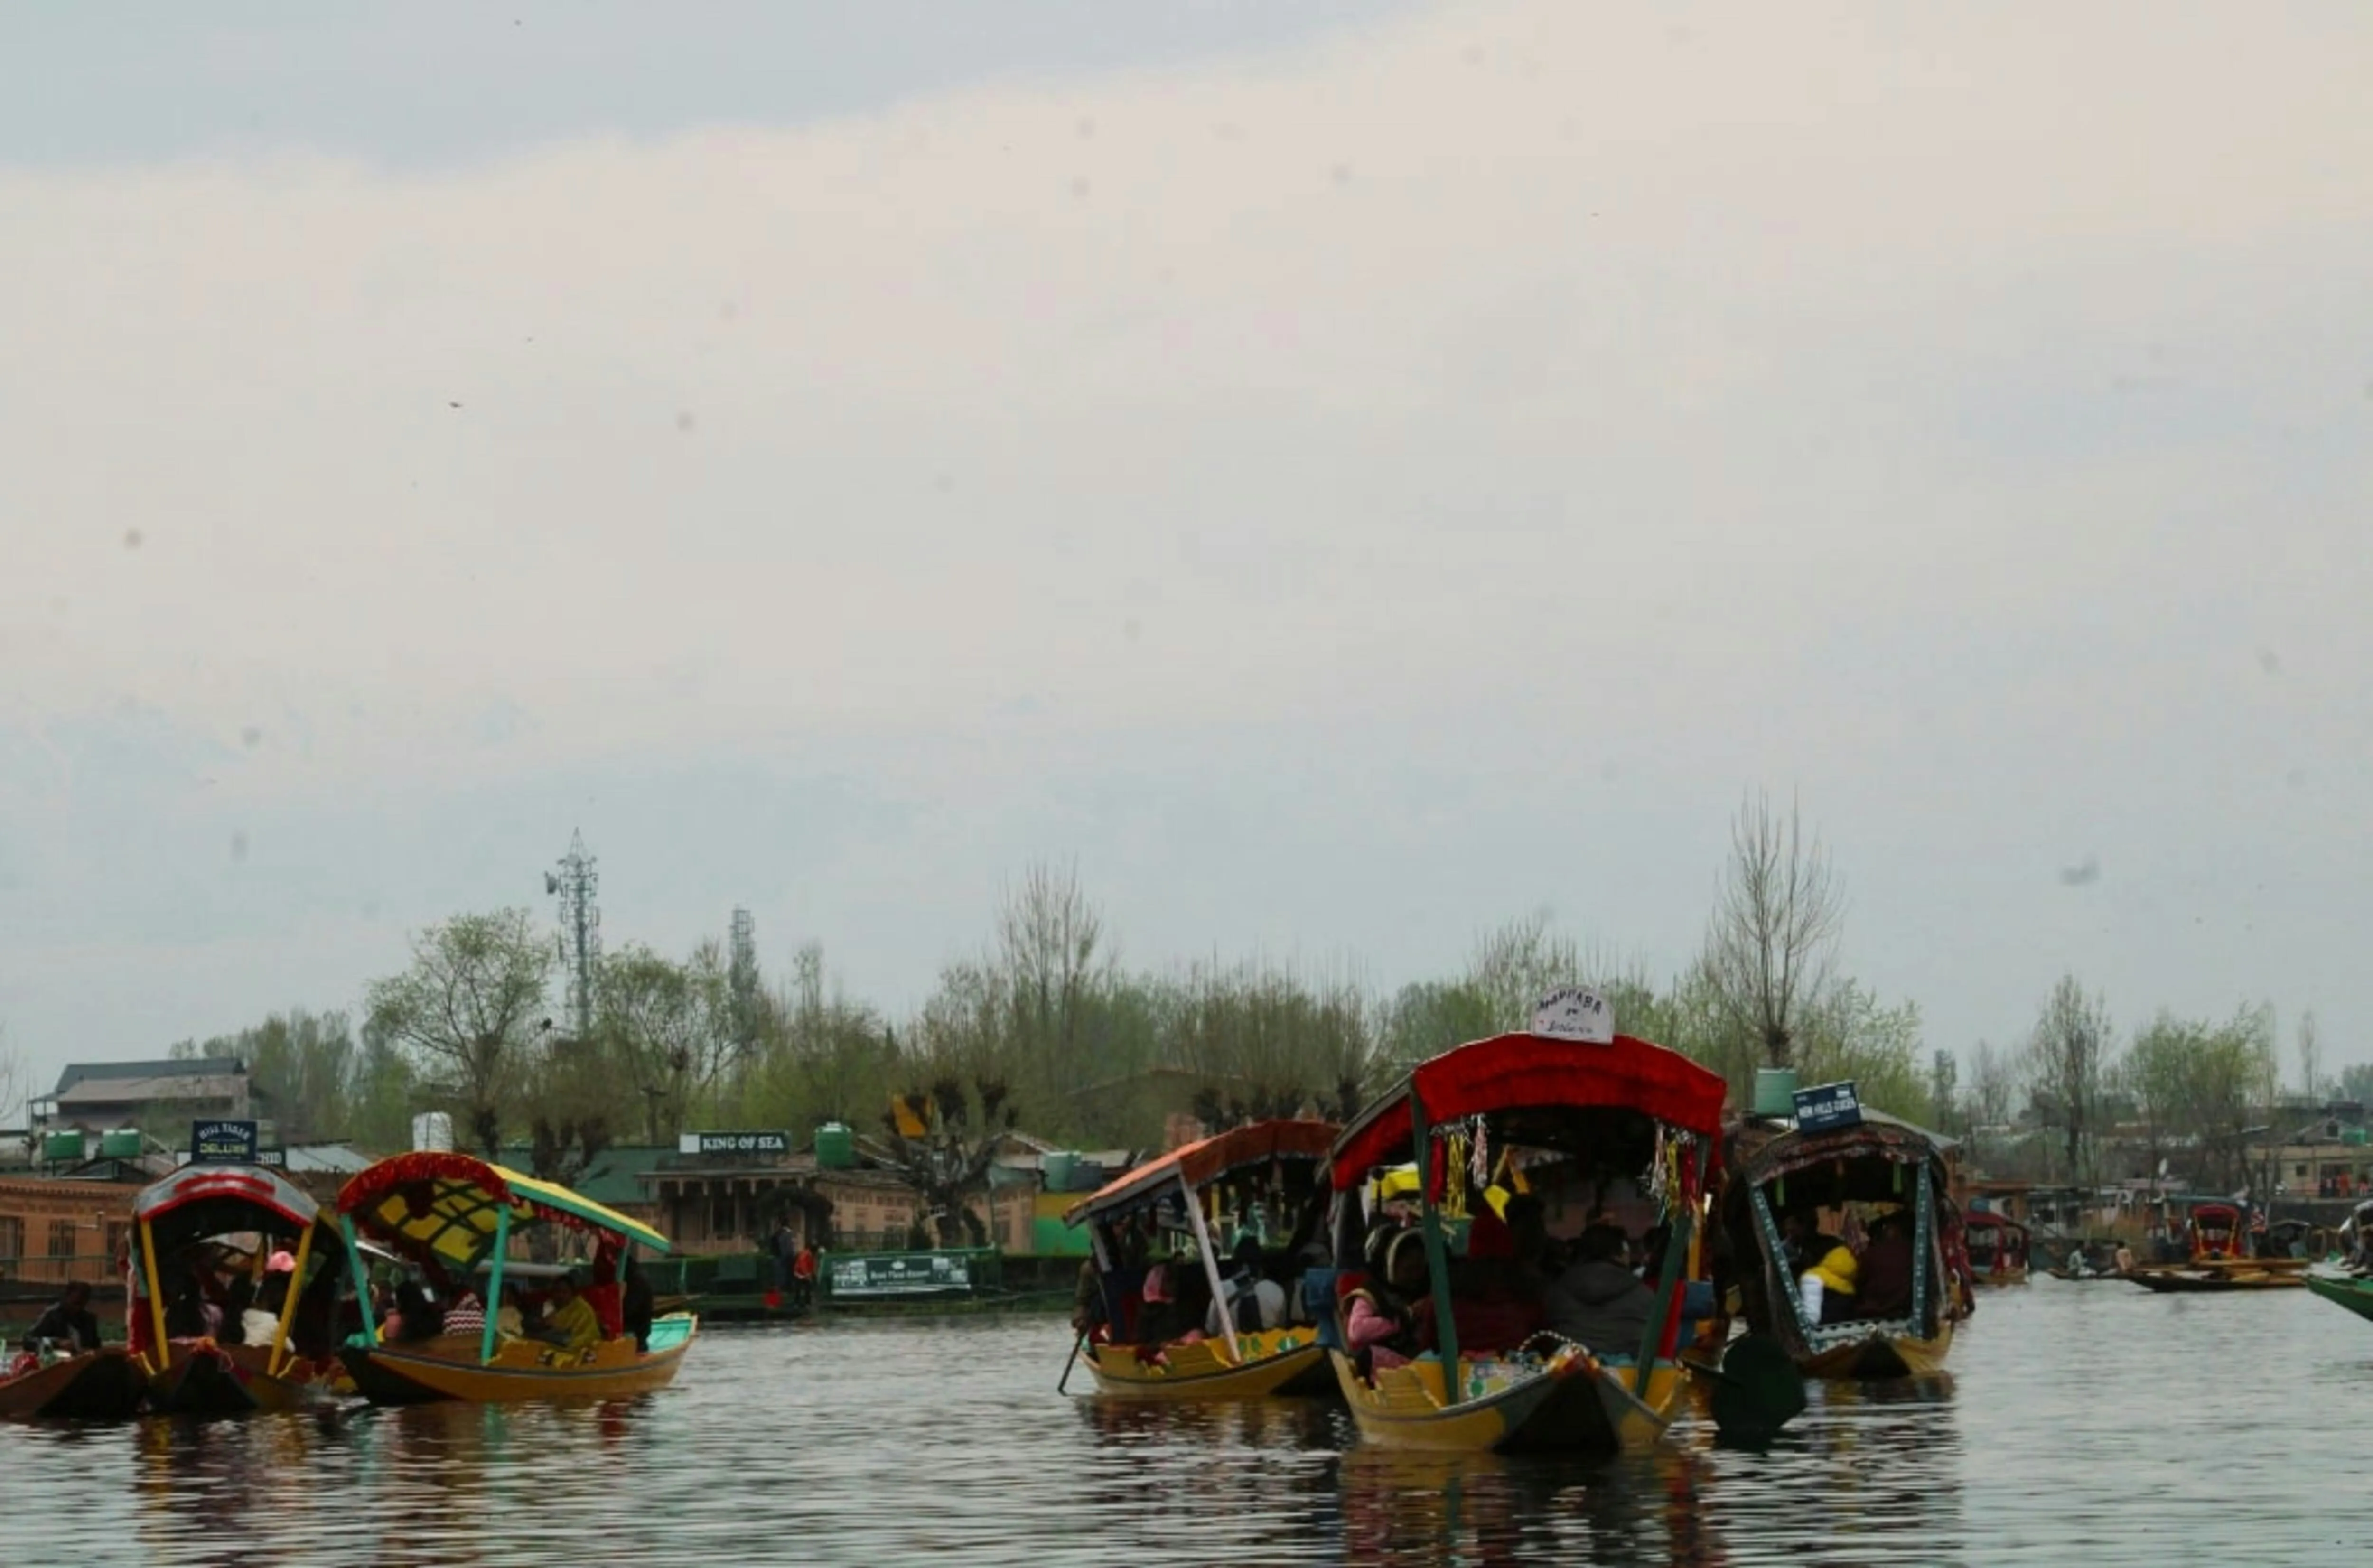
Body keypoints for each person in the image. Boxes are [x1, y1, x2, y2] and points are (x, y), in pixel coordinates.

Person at [1546, 1224, 1658, 1356]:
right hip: (1628, 1365)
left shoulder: (1559, 1287)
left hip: (1569, 1363)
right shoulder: (1643, 1292)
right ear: (1620, 1254)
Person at [1206, 1236, 1287, 1338]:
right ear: (1261, 1265)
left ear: (1235, 1263)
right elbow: (1281, 1329)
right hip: (1267, 1347)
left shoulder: (1221, 1290)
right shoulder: (1276, 1291)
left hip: (1229, 1347)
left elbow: (1211, 1330)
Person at [1856, 1212, 1916, 1318]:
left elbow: (1860, 1280)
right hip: (1904, 1312)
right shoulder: (1914, 1252)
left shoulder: (1876, 1252)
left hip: (1873, 1313)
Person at [26, 1281, 102, 1354]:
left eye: (82, 1305)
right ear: (66, 1298)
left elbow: (96, 1346)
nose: (77, 1308)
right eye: (75, 1303)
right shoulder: (52, 1315)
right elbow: (28, 1340)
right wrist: (56, 1343)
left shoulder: (89, 1319)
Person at [538, 1274, 602, 1353]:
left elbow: (586, 1336)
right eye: (557, 1291)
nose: (561, 1295)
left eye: (565, 1292)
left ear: (573, 1294)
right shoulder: (551, 1306)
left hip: (585, 1350)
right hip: (561, 1348)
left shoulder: (582, 1309)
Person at [622, 1254, 654, 1353]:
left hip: (637, 1332)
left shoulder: (637, 1280)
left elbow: (630, 1308)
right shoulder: (638, 1276)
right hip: (640, 1329)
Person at [792, 1241, 818, 1311]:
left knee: (807, 1289)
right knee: (798, 1289)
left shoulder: (811, 1255)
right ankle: (797, 1303)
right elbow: (803, 1265)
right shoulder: (806, 1254)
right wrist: (807, 1274)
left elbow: (812, 1265)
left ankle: (807, 1303)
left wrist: (812, 1274)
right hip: (799, 1274)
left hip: (806, 1274)